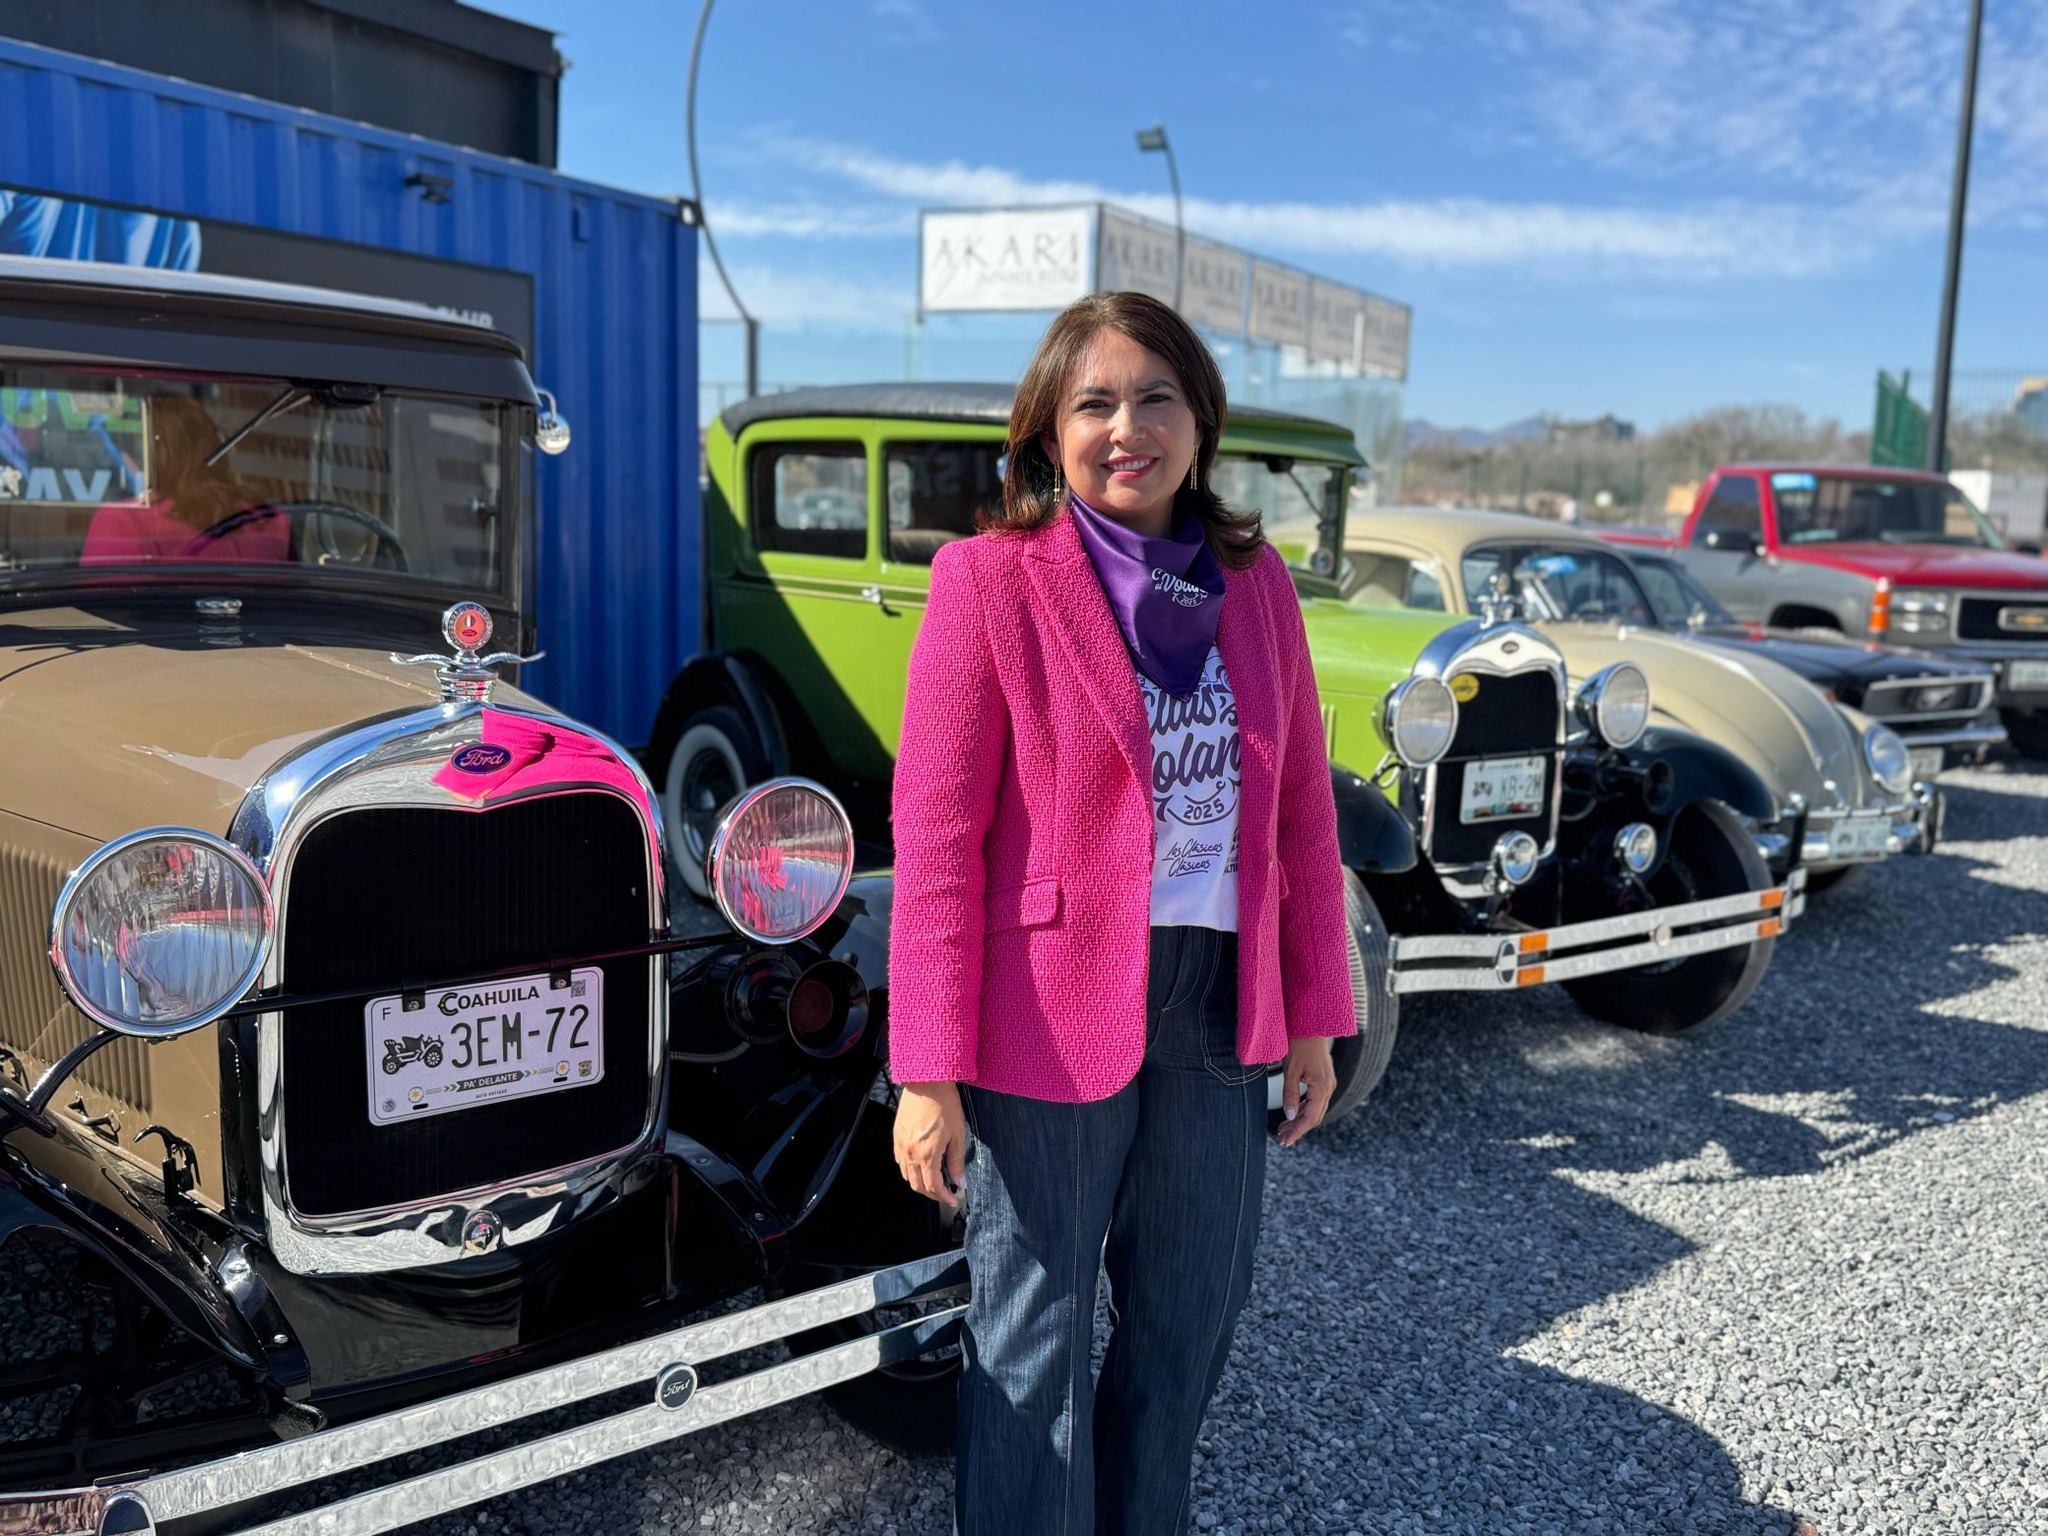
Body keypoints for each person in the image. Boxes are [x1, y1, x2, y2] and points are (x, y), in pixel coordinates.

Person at [889, 291, 1356, 1535]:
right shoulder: (987, 584)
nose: (1125, 426)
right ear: (1046, 431)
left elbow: (1298, 816)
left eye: (1155, 396)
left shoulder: (1256, 590)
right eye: (1092, 401)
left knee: (1182, 1324)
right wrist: (925, 1070)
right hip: (1046, 1011)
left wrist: (1314, 1017)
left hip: (1217, 1003)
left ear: (1199, 421)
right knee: (1030, 1338)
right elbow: (936, 842)